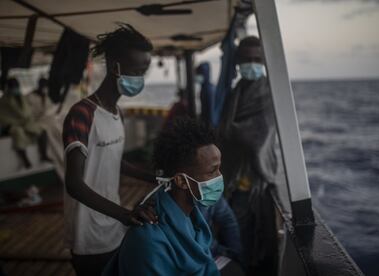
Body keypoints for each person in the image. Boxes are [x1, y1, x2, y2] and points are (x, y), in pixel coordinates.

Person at [62, 24, 157, 276]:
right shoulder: (82, 114)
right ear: (115, 66)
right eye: (136, 71)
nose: (140, 78)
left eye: (144, 71)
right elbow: (74, 183)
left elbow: (114, 161)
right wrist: (125, 214)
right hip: (88, 232)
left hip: (112, 224)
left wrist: (153, 177)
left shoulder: (116, 113)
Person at [103, 118, 244, 276]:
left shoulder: (192, 215)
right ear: (182, 181)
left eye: (219, 169)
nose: (220, 177)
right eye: (212, 171)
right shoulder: (149, 242)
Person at [218, 36, 279, 273]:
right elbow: (225, 130)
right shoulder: (237, 91)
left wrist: (231, 131)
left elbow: (260, 135)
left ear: (264, 61)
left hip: (255, 181)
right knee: (231, 235)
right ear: (238, 62)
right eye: (246, 59)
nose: (251, 64)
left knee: (247, 238)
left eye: (257, 59)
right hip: (231, 179)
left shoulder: (270, 93)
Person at [0, 78, 50, 168]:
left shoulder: (22, 97)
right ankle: (25, 160)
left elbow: (28, 112)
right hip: (11, 125)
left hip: (25, 123)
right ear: (9, 88)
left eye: (16, 87)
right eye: (13, 87)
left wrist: (27, 120)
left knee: (42, 131)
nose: (15, 89)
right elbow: (3, 117)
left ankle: (44, 155)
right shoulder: (3, 101)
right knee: (18, 133)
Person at [27, 77, 65, 180]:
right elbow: (31, 114)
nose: (45, 89)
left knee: (59, 128)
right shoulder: (30, 97)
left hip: (48, 120)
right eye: (44, 87)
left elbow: (51, 109)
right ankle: (44, 154)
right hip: (38, 121)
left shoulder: (47, 96)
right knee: (46, 131)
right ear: (39, 86)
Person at [197, 196, 243, 262]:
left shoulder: (209, 191)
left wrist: (235, 254)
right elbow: (195, 239)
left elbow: (228, 220)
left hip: (212, 253)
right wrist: (221, 251)